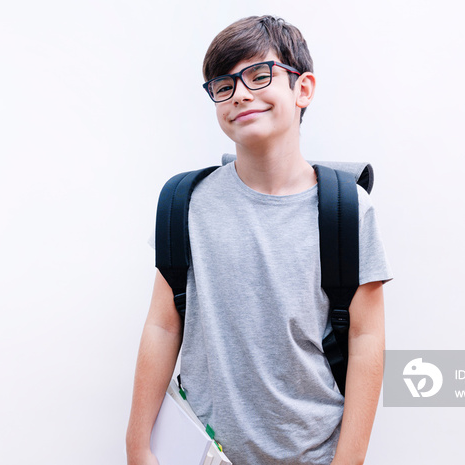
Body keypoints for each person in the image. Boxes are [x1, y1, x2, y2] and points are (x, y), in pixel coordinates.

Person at [126, 15, 392, 465]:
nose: (241, 93)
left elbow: (367, 340)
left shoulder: (348, 210)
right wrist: (138, 447)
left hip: (310, 454)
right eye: (223, 84)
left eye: (259, 74)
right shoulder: (185, 203)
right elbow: (162, 325)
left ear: (302, 89)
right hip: (199, 452)